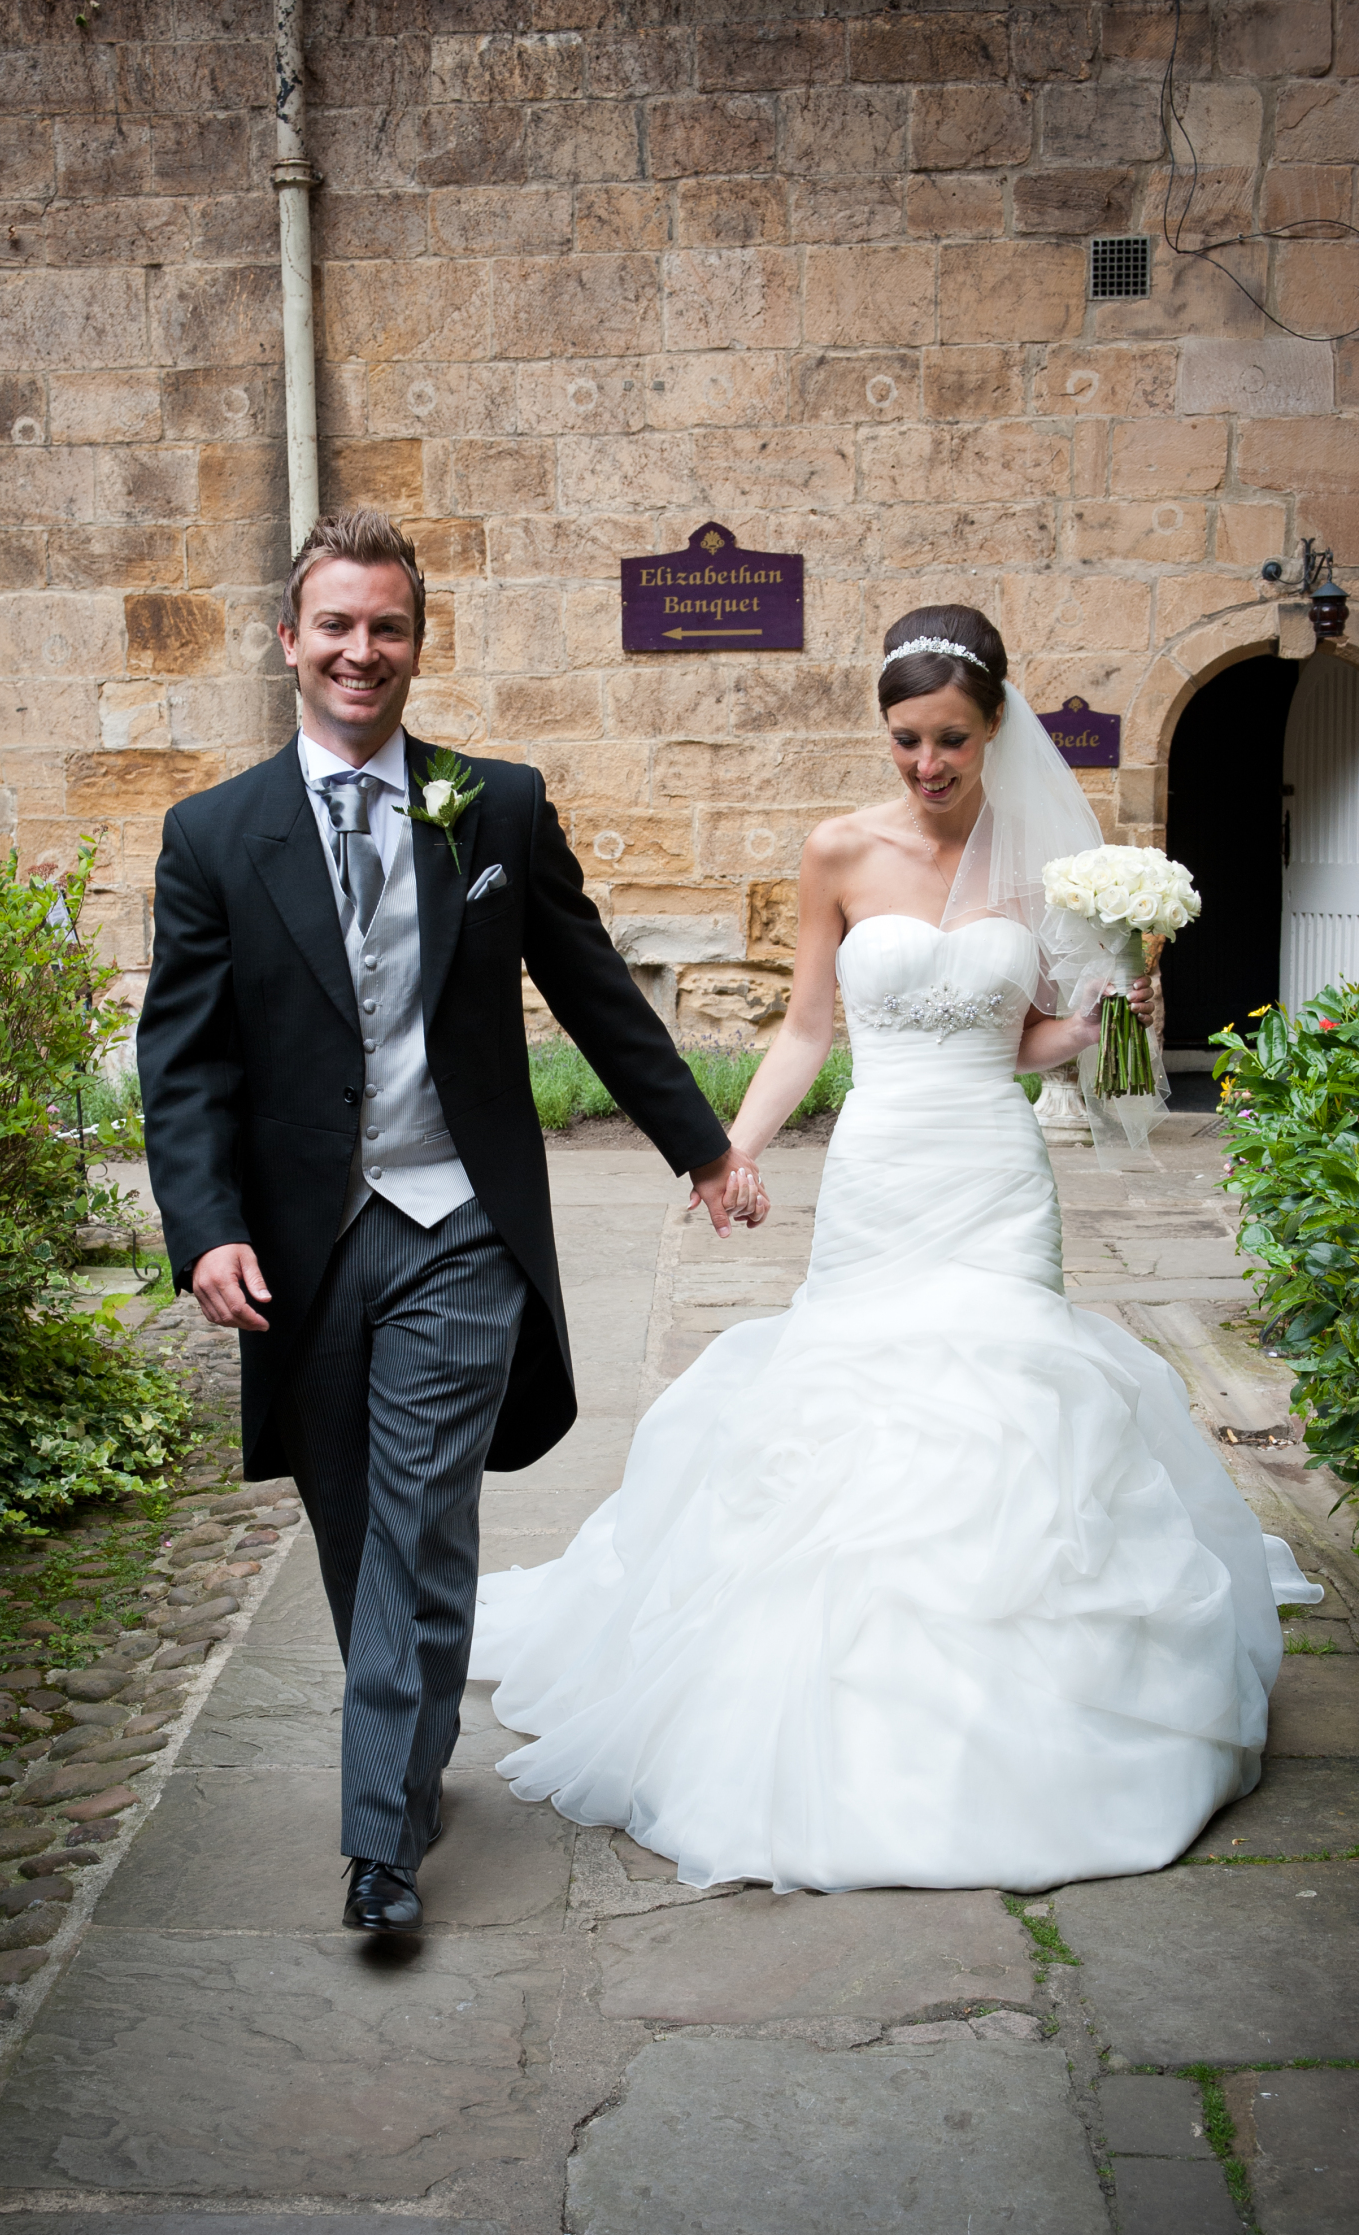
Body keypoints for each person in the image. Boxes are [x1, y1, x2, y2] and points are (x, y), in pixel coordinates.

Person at [470, 604, 1319, 1895]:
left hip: (992, 1176)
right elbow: (810, 1029)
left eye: (953, 741)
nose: (929, 764)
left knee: (1010, 1403)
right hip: (882, 1173)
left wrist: (1111, 1019)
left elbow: (1029, 1040)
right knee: (858, 1407)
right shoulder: (839, 852)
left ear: (995, 729)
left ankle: (1031, 1713)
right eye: (908, 739)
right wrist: (730, 1149)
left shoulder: (1044, 865)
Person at [137, 507, 765, 1934]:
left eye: (389, 627)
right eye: (337, 625)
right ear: (290, 640)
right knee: (357, 1534)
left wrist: (703, 1145)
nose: (362, 651)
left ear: (420, 645)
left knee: (420, 1520)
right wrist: (204, 1227)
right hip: (301, 1250)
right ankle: (410, 1763)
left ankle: (380, 1845)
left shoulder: (498, 806)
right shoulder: (213, 836)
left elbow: (594, 988)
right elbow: (184, 1060)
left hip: (460, 1224)